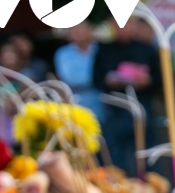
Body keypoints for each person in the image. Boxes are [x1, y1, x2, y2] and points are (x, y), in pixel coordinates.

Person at [92, 17, 162, 177]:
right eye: (118, 24)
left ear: (133, 26)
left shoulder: (146, 49)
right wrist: (109, 81)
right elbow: (96, 79)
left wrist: (146, 81)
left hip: (142, 107)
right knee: (116, 158)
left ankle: (149, 191)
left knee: (145, 154)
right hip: (115, 111)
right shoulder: (104, 50)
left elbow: (159, 80)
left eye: (126, 24)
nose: (122, 28)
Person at [54, 21, 101, 119]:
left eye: (81, 28)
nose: (77, 31)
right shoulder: (63, 53)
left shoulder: (100, 50)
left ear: (90, 31)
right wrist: (98, 77)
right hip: (75, 98)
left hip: (101, 98)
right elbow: (71, 78)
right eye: (74, 29)